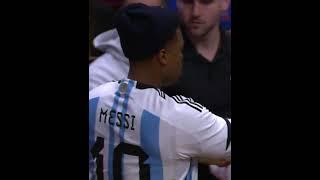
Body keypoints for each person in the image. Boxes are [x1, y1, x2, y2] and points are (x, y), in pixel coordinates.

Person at [89, 3, 231, 180]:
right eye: (179, 51)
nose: (181, 58)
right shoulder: (179, 116)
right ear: (163, 56)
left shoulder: (94, 99)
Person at [162, 0, 231, 179]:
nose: (195, 12)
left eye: (205, 1)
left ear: (224, 3)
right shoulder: (163, 60)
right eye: (186, 2)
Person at [89, 0, 165, 90]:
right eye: (137, 17)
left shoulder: (172, 61)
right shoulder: (98, 75)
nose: (147, 24)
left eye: (156, 15)